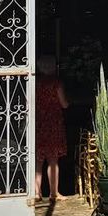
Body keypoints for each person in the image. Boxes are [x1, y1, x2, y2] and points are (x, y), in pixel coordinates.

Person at [34, 56, 68, 201]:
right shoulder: (56, 83)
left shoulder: (35, 83)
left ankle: (36, 192)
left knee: (38, 159)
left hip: (39, 123)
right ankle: (54, 193)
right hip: (53, 123)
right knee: (53, 160)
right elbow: (64, 104)